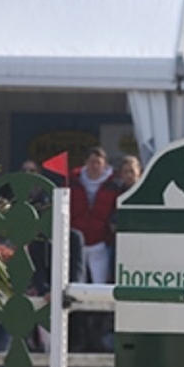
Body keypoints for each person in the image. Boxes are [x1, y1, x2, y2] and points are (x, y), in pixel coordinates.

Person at [70, 146, 119, 352]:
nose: (94, 166)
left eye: (98, 163)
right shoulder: (74, 182)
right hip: (77, 244)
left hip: (100, 244)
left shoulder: (113, 185)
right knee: (75, 288)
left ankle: (97, 336)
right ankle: (77, 336)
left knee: (101, 289)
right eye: (91, 162)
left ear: (104, 164)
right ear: (85, 163)